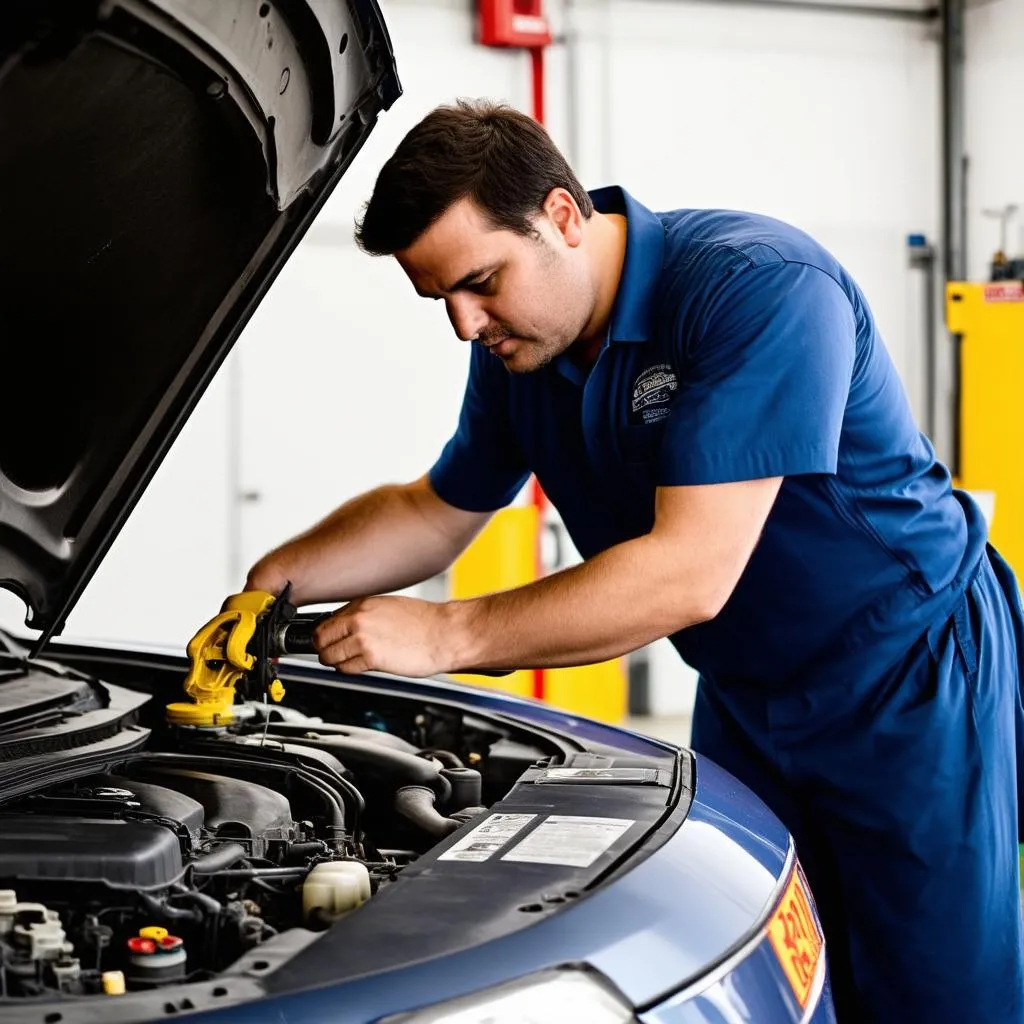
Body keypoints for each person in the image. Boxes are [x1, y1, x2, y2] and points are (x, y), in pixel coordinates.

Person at [246, 99, 1024, 1021]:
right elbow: (436, 508)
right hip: (746, 686)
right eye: (442, 299)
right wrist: (270, 585)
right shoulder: (520, 351)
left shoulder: (758, 287)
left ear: (564, 217)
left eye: (482, 282)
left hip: (905, 677)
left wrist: (445, 632)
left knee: (936, 991)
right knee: (779, 976)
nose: (465, 324)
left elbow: (688, 573)